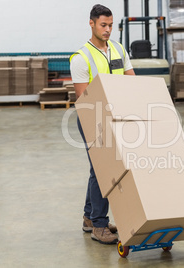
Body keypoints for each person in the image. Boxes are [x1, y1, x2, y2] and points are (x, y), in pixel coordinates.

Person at [70, 4, 135, 245]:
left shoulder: (118, 49)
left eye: (110, 25)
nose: (108, 30)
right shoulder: (81, 57)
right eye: (103, 25)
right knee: (103, 171)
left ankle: (89, 218)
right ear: (92, 24)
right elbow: (83, 99)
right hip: (92, 119)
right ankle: (99, 224)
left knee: (97, 170)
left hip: (116, 118)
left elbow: (132, 80)